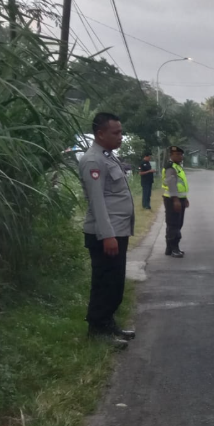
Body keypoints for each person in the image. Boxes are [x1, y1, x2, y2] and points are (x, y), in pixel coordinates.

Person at [80, 113, 135, 347]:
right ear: (100, 134)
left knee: (115, 283)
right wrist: (108, 235)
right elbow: (97, 201)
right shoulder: (93, 160)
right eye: (116, 133)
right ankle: (98, 330)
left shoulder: (107, 157)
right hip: (105, 234)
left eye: (121, 132)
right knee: (104, 283)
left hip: (117, 231)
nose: (120, 137)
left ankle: (108, 323)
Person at [162, 146, 190, 258]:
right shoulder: (171, 167)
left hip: (179, 198)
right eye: (177, 154)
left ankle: (169, 248)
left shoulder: (177, 167)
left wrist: (185, 198)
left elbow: (180, 185)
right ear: (171, 155)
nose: (180, 156)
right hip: (172, 199)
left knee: (177, 224)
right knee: (174, 224)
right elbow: (171, 184)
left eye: (181, 154)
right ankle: (174, 248)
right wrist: (176, 200)